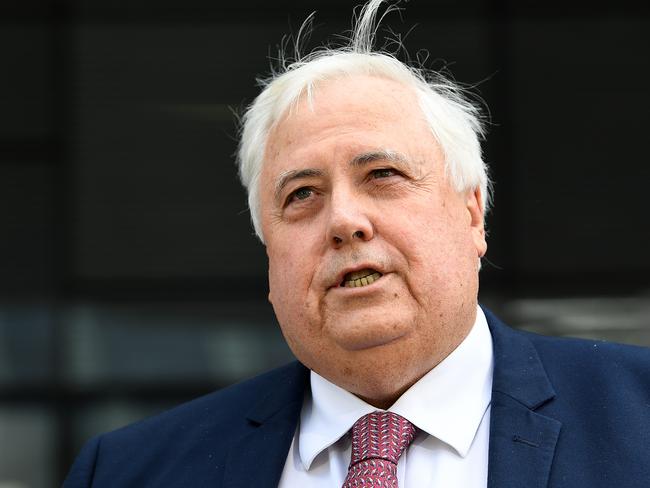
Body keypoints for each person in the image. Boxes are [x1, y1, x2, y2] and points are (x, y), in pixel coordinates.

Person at [63, 1, 650, 486]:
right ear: (269, 254)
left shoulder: (637, 417)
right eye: (301, 195)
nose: (345, 221)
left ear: (473, 214)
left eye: (383, 176)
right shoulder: (129, 472)